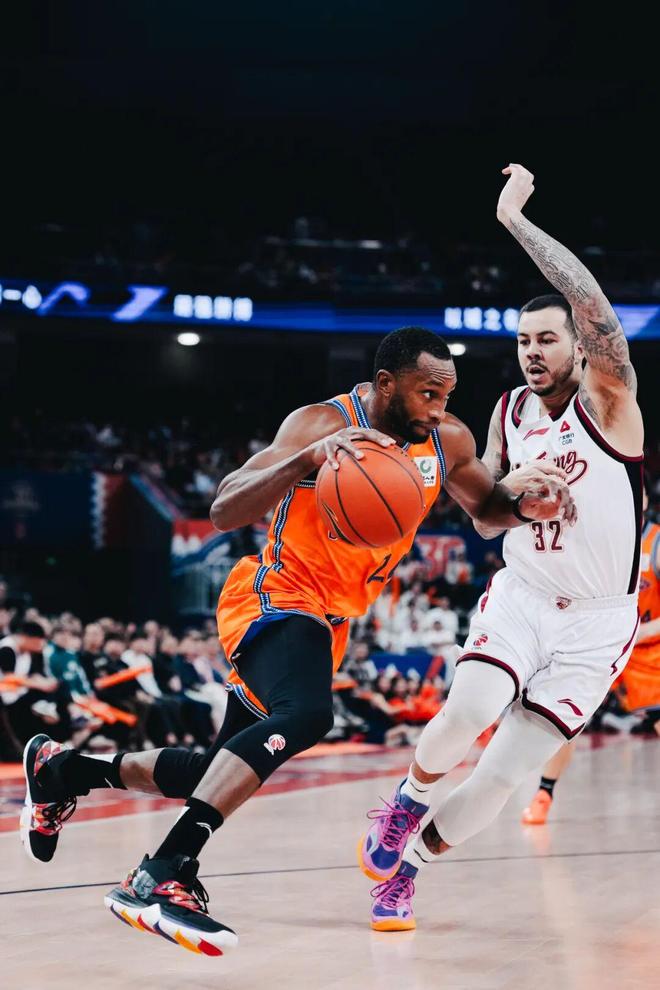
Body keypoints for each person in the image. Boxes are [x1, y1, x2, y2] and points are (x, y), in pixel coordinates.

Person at [20, 326, 572, 955]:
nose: (438, 408)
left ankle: (62, 771)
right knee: (308, 716)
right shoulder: (321, 424)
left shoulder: (445, 440)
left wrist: (522, 507)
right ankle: (160, 875)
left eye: (446, 395)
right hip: (277, 595)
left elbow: (485, 510)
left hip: (330, 621)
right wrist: (306, 461)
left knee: (215, 771)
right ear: (385, 384)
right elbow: (225, 509)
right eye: (427, 394)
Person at [358, 164, 644, 932]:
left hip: (598, 623)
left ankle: (407, 872)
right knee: (472, 706)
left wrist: (515, 222)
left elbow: (595, 306)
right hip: (524, 594)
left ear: (579, 347)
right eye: (522, 341)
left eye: (548, 338)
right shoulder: (509, 412)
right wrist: (513, 493)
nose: (532, 351)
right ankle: (407, 802)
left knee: (505, 772)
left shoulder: (610, 402)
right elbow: (486, 520)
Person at [521, 487, 660, 825]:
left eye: (636, 490)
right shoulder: (592, 535)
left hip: (645, 647)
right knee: (564, 720)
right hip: (598, 640)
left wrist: (640, 631)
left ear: (644, 499)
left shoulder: (655, 541)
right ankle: (543, 794)